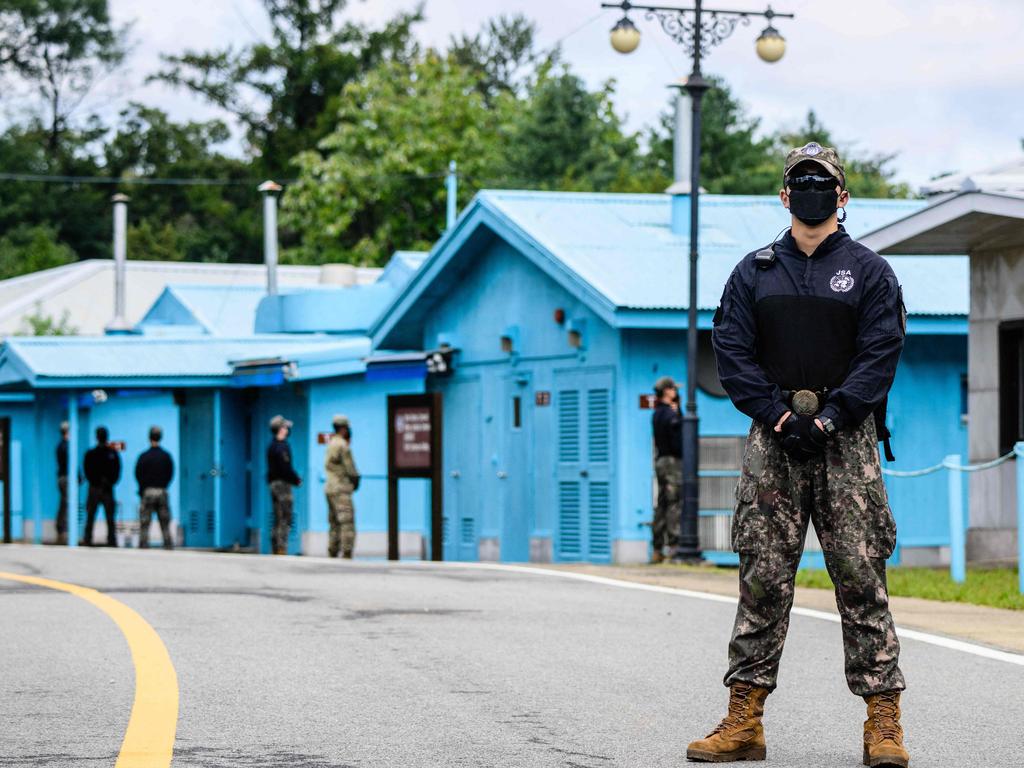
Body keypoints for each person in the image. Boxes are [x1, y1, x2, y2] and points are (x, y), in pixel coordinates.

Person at [689, 143, 909, 767]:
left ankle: (883, 724)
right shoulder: (753, 273)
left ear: (842, 196)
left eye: (824, 181)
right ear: (784, 195)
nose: (812, 189)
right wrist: (779, 415)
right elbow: (731, 353)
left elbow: (880, 354)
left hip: (849, 445)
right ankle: (744, 720)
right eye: (800, 181)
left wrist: (836, 414)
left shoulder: (869, 272)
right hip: (772, 444)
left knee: (862, 578)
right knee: (761, 578)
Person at [650, 376, 681, 564]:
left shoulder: (656, 414)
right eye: (673, 389)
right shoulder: (671, 415)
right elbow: (679, 439)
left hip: (660, 460)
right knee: (674, 502)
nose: (676, 392)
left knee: (661, 503)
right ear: (667, 391)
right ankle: (674, 546)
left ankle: (657, 548)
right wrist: (679, 413)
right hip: (672, 461)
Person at [324, 414, 361, 559]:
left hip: (330, 488)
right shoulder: (342, 445)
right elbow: (350, 469)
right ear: (344, 428)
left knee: (334, 523)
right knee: (347, 523)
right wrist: (356, 481)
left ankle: (332, 552)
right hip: (341, 490)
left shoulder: (331, 443)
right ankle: (346, 554)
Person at [135, 426, 175, 549]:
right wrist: (164, 486)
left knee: (145, 522)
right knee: (165, 521)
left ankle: (143, 543)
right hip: (162, 491)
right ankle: (168, 544)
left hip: (148, 492)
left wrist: (142, 489)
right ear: (161, 437)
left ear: (149, 437)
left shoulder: (143, 456)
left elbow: (138, 474)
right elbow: (170, 473)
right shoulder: (166, 456)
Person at [267, 414, 301, 555]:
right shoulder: (281, 447)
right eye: (285, 427)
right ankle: (281, 548)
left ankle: (276, 547)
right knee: (285, 516)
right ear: (281, 429)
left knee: (277, 516)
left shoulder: (272, 446)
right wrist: (296, 480)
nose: (287, 429)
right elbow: (285, 468)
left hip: (274, 484)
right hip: (282, 485)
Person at [83, 426, 121, 547]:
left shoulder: (92, 453)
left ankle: (88, 539)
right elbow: (117, 470)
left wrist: (95, 481)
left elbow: (87, 470)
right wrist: (109, 482)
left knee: (93, 515)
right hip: (105, 488)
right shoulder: (111, 453)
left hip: (95, 488)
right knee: (108, 516)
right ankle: (111, 540)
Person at [55, 421, 69, 545]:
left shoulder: (61, 445)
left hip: (62, 477)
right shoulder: (65, 446)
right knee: (66, 504)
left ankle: (62, 530)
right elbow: (69, 464)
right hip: (65, 478)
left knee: (64, 504)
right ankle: (62, 531)